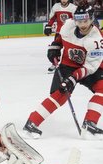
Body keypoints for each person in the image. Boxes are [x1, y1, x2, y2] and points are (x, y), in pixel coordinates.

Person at [23, 3, 103, 140]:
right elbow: (61, 38)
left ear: (91, 19)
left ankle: (90, 123)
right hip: (67, 66)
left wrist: (74, 78)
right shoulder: (68, 25)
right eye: (79, 21)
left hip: (88, 68)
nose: (82, 24)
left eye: (86, 21)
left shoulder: (96, 39)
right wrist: (55, 46)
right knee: (59, 94)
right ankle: (31, 123)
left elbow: (90, 66)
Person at [44, 0, 77, 73]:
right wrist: (49, 26)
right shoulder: (56, 6)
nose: (64, 0)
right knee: (54, 49)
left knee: (71, 49)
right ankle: (54, 64)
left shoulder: (73, 8)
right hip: (59, 33)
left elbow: (76, 20)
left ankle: (73, 65)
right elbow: (52, 18)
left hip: (70, 33)